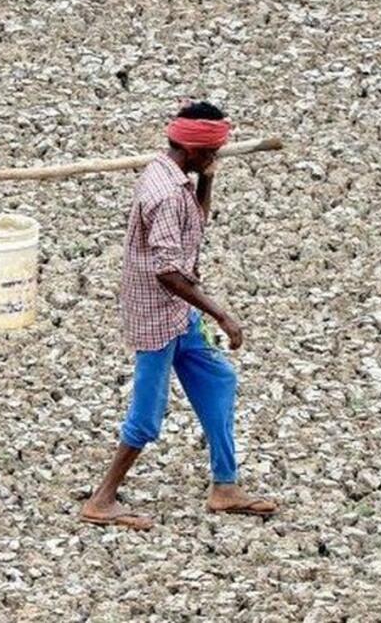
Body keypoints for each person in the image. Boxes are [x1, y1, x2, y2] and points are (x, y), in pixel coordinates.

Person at [80, 101, 279, 530]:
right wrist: (223, 315)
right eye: (212, 152)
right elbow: (168, 272)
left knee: (220, 379)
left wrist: (206, 182)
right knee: (146, 418)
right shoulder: (167, 195)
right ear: (193, 149)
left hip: (178, 314)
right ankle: (102, 499)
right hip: (157, 318)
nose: (217, 157)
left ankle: (225, 486)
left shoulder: (168, 173)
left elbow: (195, 225)